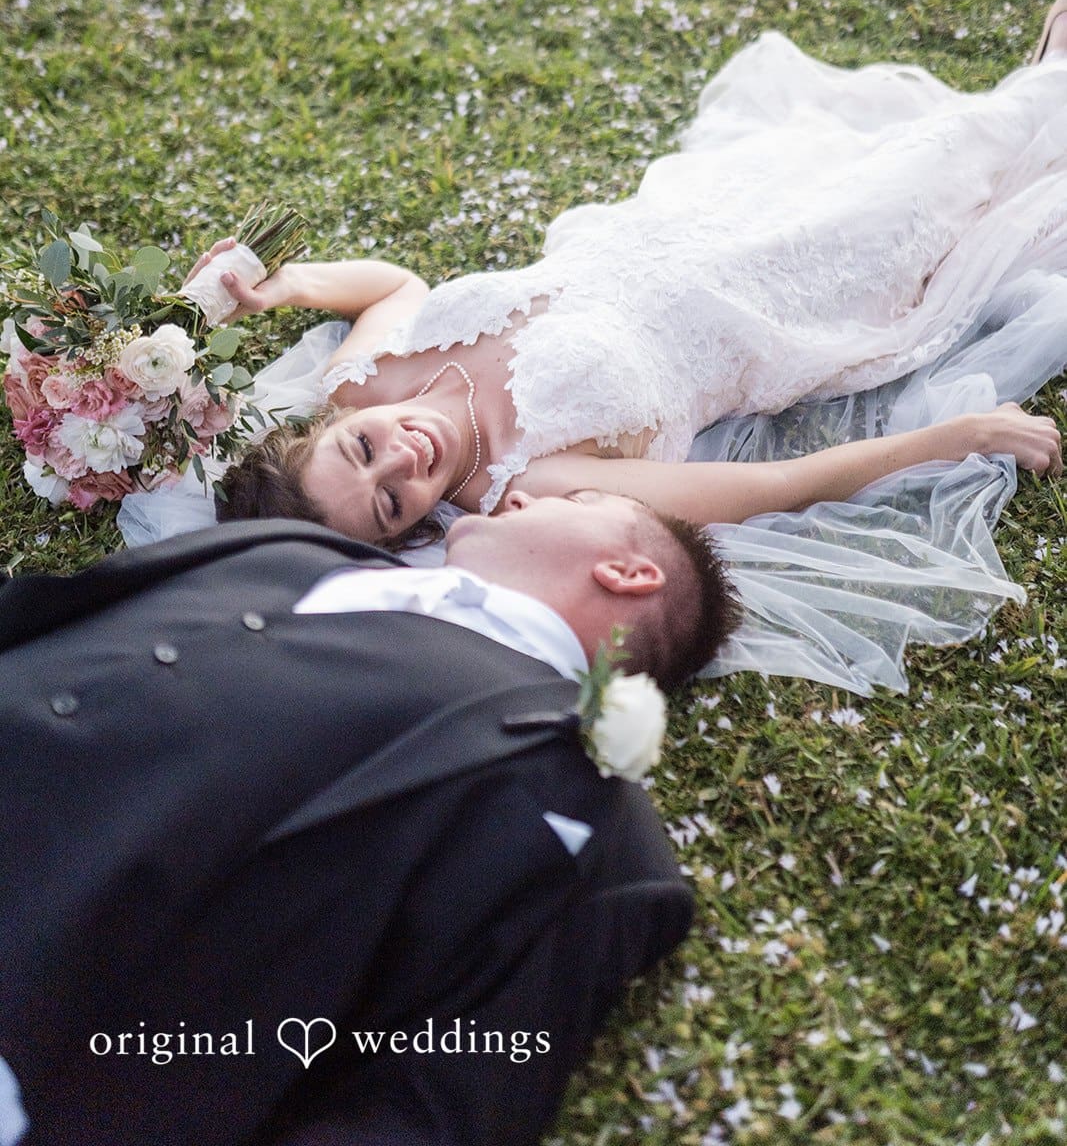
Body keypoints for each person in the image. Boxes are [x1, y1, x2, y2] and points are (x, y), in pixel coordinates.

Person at [120, 0, 1067, 695]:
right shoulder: (534, 486)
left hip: (667, 228)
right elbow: (767, 490)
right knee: (939, 180)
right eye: (396, 503)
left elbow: (394, 288)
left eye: (361, 452)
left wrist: (289, 287)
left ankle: (1035, 90)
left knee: (879, 154)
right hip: (782, 297)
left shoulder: (360, 384)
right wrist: (951, 438)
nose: (401, 459)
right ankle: (1044, 87)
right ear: (414, 531)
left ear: (331, 426)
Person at [0, 491, 739, 1146]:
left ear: (627, 572)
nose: (522, 496)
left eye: (575, 501)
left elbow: (433, 1107)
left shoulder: (591, 811)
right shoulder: (292, 545)